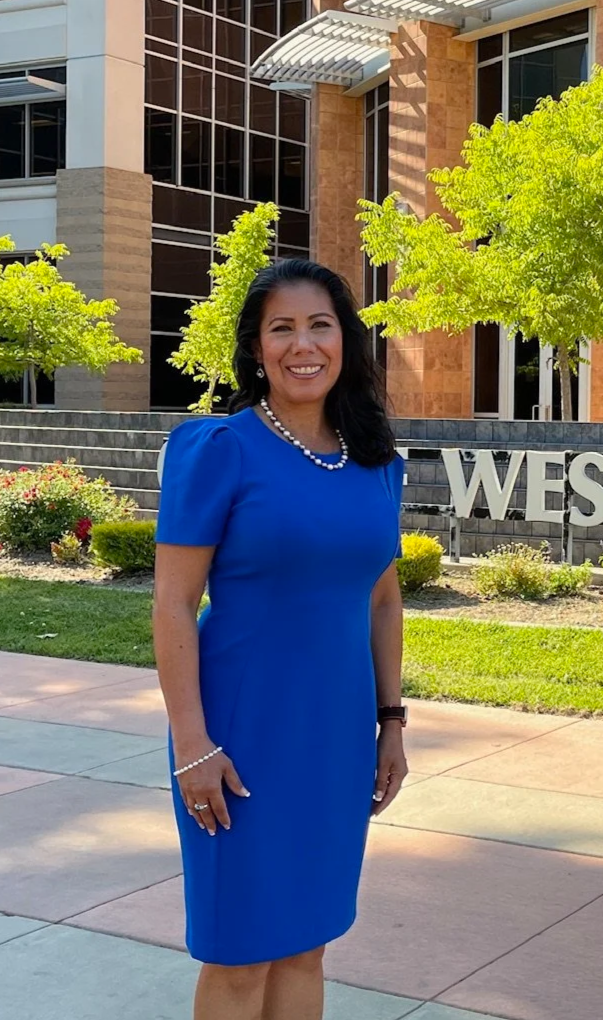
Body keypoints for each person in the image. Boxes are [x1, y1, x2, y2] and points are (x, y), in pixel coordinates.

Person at [151, 259, 409, 1020]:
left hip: (334, 738)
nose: (304, 345)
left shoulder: (376, 460)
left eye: (320, 325)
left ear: (345, 341)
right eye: (283, 328)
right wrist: (192, 743)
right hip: (238, 735)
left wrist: (390, 723)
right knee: (238, 954)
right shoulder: (217, 448)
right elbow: (172, 603)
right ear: (257, 348)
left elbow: (383, 598)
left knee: (307, 943)